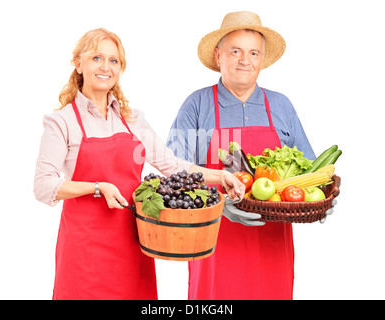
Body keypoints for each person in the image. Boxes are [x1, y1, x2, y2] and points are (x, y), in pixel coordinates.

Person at [33, 28, 245, 300]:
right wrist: (97, 188)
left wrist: (220, 177)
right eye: (97, 58)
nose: (106, 67)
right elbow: (43, 186)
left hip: (134, 243)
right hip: (84, 248)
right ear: (78, 63)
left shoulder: (131, 119)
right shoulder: (62, 122)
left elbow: (171, 165)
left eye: (114, 61)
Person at [167, 11, 335, 300]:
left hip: (271, 246)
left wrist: (320, 196)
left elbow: (308, 169)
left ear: (261, 59)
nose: (245, 60)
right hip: (214, 244)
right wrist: (220, 203)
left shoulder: (281, 106)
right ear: (218, 56)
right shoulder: (196, 105)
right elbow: (173, 172)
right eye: (236, 51)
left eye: (253, 52)